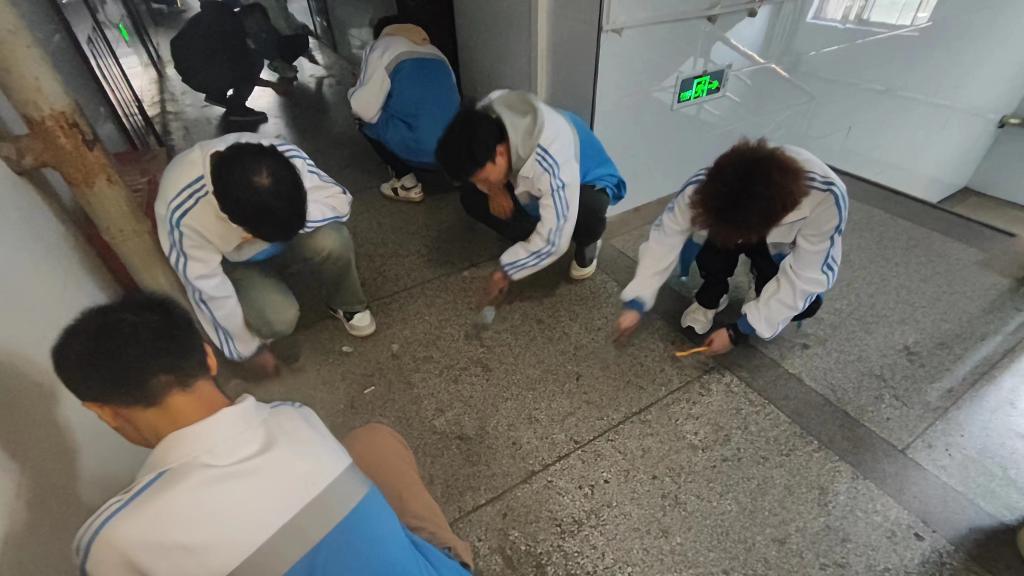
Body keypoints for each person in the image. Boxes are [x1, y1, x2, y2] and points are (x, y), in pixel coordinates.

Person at [52, 294, 474, 576]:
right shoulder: (293, 417)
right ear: (208, 357)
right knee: (374, 442)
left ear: (104, 412)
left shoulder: (113, 543)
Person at [155, 133, 375, 379]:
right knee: (278, 319)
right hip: (237, 263)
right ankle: (263, 301)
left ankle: (347, 303)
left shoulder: (280, 158)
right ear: (231, 217)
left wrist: (297, 219)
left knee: (332, 239)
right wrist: (247, 351)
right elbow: (205, 287)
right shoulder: (181, 210)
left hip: (292, 233)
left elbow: (339, 200)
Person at [615, 138, 847, 355]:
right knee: (713, 252)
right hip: (739, 218)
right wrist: (638, 300)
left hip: (780, 241)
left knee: (800, 300)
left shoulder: (826, 197)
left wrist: (740, 330)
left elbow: (808, 275)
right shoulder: (708, 186)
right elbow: (666, 237)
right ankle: (712, 296)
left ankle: (761, 287)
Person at [436, 90, 627, 301]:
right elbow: (481, 171)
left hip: (586, 180)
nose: (482, 185)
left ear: (499, 154)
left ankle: (588, 241)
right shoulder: (485, 114)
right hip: (527, 179)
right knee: (471, 197)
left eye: (484, 179)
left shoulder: (553, 160)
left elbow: (554, 242)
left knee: (588, 210)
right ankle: (531, 236)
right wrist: (494, 189)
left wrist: (507, 269)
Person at [349, 16, 459, 203]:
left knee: (363, 117)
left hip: (425, 149)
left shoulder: (381, 46)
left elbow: (363, 107)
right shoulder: (436, 52)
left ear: (381, 34)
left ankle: (406, 183)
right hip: (455, 151)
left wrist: (354, 89)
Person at [170, 0, 284, 122]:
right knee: (254, 62)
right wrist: (273, 85)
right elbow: (246, 74)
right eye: (256, 24)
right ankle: (236, 109)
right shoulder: (234, 35)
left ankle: (217, 95)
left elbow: (208, 5)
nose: (255, 29)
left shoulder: (224, 13)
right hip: (197, 73)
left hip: (184, 59)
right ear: (247, 16)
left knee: (232, 61)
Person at [238, 0, 318, 80]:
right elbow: (283, 21)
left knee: (300, 41)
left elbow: (284, 15)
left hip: (270, 37)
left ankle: (281, 63)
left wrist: (300, 27)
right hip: (266, 40)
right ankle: (279, 63)